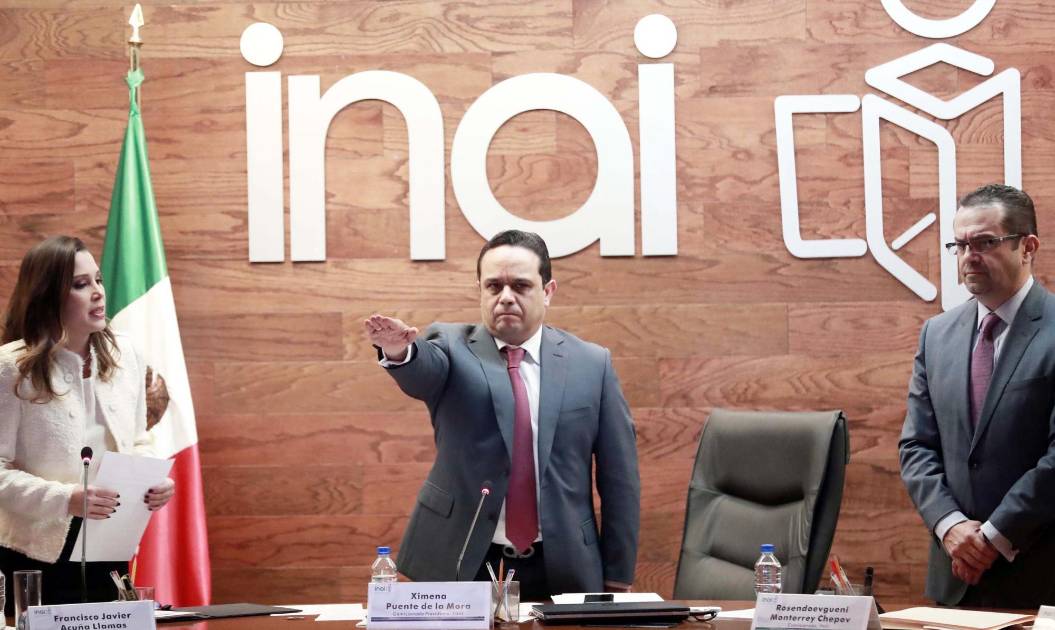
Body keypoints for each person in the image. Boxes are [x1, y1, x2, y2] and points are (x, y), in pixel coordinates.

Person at [364, 229, 640, 598]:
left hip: (565, 563)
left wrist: (618, 574)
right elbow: (422, 370)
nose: (506, 297)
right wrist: (400, 352)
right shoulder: (450, 345)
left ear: (548, 291)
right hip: (464, 559)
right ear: (479, 289)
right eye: (494, 286)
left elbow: (620, 479)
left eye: (521, 286)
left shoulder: (592, 364)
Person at [0, 236, 175, 613]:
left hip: (109, 544)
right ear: (48, 295)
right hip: (35, 554)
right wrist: (66, 499)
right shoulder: (10, 367)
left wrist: (153, 480)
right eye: (81, 284)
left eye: (98, 280)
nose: (97, 292)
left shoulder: (126, 354)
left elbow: (138, 441)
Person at [899, 184, 1055, 607]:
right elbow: (916, 446)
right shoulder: (936, 335)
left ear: (1028, 247)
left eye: (985, 242)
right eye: (960, 244)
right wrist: (949, 526)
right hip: (955, 580)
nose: (969, 256)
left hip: (1040, 579)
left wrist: (993, 537)